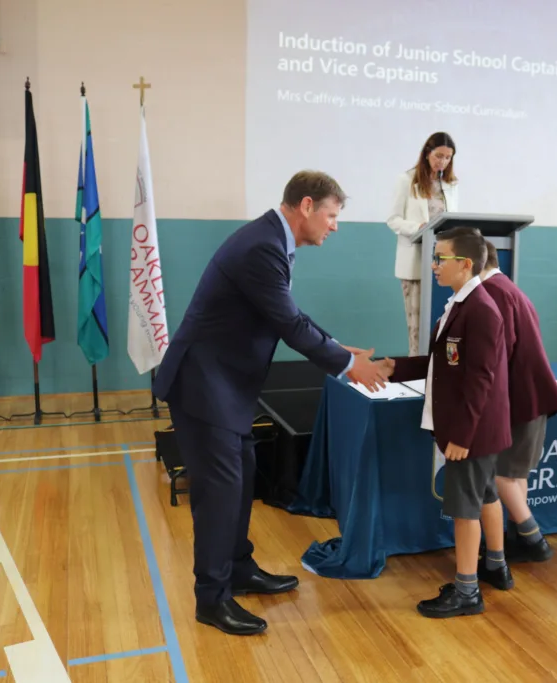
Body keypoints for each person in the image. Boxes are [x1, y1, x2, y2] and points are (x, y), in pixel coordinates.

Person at [153, 171, 390, 636]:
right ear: (306, 205)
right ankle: (212, 598)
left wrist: (339, 347)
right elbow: (289, 324)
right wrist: (345, 364)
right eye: (332, 215)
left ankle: (239, 569)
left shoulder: (270, 240)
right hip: (205, 387)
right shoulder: (262, 245)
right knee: (220, 495)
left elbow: (289, 314)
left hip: (226, 386)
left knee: (240, 486)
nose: (335, 226)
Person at [382, 227, 511, 618]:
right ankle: (495, 565)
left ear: (465, 264)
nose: (434, 266)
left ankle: (467, 591)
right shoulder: (459, 303)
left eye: (441, 258)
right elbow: (442, 363)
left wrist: (462, 435)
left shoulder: (481, 310)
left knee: (464, 509)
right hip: (476, 431)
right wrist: (394, 367)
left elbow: (481, 380)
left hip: (472, 433)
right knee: (486, 495)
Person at [478, 242, 557, 563]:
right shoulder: (510, 289)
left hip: (518, 399)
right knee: (516, 475)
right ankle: (519, 536)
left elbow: (496, 356)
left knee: (500, 476)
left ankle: (534, 538)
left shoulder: (492, 294)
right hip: (533, 396)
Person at [387, 132, 460, 356]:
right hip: (416, 264)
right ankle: (417, 371)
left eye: (448, 157)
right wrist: (418, 228)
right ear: (427, 153)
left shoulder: (450, 184)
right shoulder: (407, 180)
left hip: (444, 264)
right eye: (439, 156)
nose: (443, 162)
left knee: (443, 324)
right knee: (417, 330)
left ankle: (439, 372)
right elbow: (393, 220)